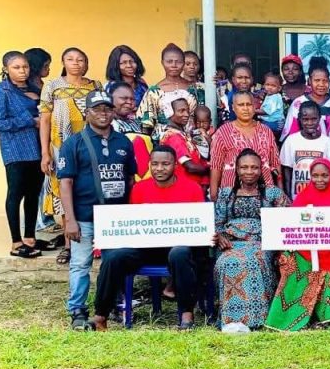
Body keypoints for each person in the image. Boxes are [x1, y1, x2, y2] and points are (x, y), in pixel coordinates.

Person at [91, 146, 206, 331]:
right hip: (146, 248)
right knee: (113, 258)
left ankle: (186, 314)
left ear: (175, 165)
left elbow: (200, 223)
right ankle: (100, 316)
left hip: (177, 250)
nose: (159, 168)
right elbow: (134, 225)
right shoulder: (139, 188)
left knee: (180, 253)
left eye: (165, 164)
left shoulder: (192, 188)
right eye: (155, 164)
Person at [56, 90, 136, 330]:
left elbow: (130, 178)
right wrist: (70, 220)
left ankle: (110, 303)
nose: (103, 114)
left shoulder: (123, 142)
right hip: (84, 215)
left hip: (116, 218)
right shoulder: (74, 143)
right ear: (87, 112)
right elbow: (65, 183)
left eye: (107, 109)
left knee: (115, 262)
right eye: (97, 109)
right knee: (81, 263)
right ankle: (77, 309)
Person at [266, 158, 330, 329]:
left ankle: (329, 317)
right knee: (290, 262)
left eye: (324, 175)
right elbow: (293, 227)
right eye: (315, 176)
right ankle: (290, 317)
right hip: (306, 250)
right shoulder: (304, 196)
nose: (319, 180)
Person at [213, 149, 290, 332]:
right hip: (231, 244)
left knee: (254, 260)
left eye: (254, 167)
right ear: (237, 169)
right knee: (228, 262)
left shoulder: (272, 193)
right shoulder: (225, 194)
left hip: (262, 243)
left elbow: (288, 218)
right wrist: (221, 236)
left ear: (261, 169)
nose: (249, 172)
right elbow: (217, 223)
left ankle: (257, 319)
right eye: (244, 167)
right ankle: (231, 321)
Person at [39, 47, 103, 265]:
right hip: (61, 145)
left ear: (86, 63)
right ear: (63, 62)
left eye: (80, 59)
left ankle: (96, 244)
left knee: (91, 187)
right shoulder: (53, 86)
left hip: (90, 146)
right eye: (70, 59)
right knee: (64, 190)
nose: (76, 63)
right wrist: (45, 152)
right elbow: (45, 120)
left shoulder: (95, 86)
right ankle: (69, 245)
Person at [0, 51, 48, 258]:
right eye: (16, 67)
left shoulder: (34, 88)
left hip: (38, 148)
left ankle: (30, 237)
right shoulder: (0, 91)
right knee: (16, 194)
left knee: (34, 194)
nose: (22, 71)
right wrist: (30, 121)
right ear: (6, 69)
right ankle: (16, 242)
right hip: (15, 150)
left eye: (25, 67)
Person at [209, 91, 282, 201]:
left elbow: (275, 163)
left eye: (249, 104)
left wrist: (280, 192)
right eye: (241, 105)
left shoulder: (266, 131)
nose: (245, 108)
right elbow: (216, 165)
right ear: (233, 107)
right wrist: (214, 194)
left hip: (265, 194)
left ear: (255, 106)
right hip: (231, 194)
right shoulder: (223, 132)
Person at [280, 101, 330, 198]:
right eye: (305, 119)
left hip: (321, 198)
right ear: (299, 119)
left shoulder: (327, 143)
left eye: (314, 119)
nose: (310, 123)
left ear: (319, 118)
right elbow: (287, 171)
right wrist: (288, 197)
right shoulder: (291, 141)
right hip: (297, 198)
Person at [138, 43, 197, 137]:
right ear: (162, 62)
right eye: (169, 61)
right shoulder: (153, 92)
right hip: (163, 142)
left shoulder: (196, 89)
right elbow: (146, 125)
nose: (174, 65)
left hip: (192, 140)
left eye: (178, 62)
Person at [160, 91, 210, 189]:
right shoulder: (173, 137)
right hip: (185, 189)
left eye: (187, 110)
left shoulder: (183, 134)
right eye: (181, 111)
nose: (186, 114)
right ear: (169, 112)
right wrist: (213, 170)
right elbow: (190, 167)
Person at [282, 63, 330, 144]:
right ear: (309, 81)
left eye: (325, 80)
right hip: (303, 152)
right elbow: (290, 132)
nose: (321, 84)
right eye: (317, 80)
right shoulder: (298, 103)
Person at [257, 71, 286, 138]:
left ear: (279, 88)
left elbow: (266, 111)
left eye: (273, 86)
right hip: (271, 121)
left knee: (261, 130)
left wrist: (253, 111)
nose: (270, 87)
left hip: (276, 123)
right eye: (267, 85)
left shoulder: (275, 97)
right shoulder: (269, 96)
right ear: (264, 85)